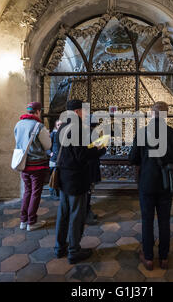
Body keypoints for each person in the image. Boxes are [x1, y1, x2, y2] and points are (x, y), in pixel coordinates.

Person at [129, 102, 173, 271]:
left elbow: (132, 158)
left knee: (147, 220)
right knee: (164, 220)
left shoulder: (142, 133)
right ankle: (164, 257)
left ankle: (148, 258)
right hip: (165, 184)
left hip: (147, 183)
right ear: (166, 115)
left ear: (151, 114)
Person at [54, 100, 106, 264]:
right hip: (76, 179)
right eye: (84, 111)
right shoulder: (78, 129)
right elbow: (82, 156)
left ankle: (59, 247)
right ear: (77, 111)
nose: (86, 114)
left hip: (63, 177)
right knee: (77, 215)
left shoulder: (62, 127)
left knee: (63, 213)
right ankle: (74, 251)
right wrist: (99, 149)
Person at [14, 102, 52, 232]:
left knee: (27, 192)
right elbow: (47, 146)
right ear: (38, 111)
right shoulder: (38, 126)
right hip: (37, 166)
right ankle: (32, 221)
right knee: (35, 193)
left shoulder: (18, 124)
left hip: (24, 164)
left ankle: (23, 221)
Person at [48, 120, 63, 201]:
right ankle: (52, 193)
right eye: (58, 125)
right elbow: (47, 146)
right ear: (55, 126)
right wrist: (50, 153)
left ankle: (58, 193)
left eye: (61, 124)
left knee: (59, 176)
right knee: (52, 176)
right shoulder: (53, 134)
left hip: (61, 159)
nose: (60, 126)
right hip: (54, 159)